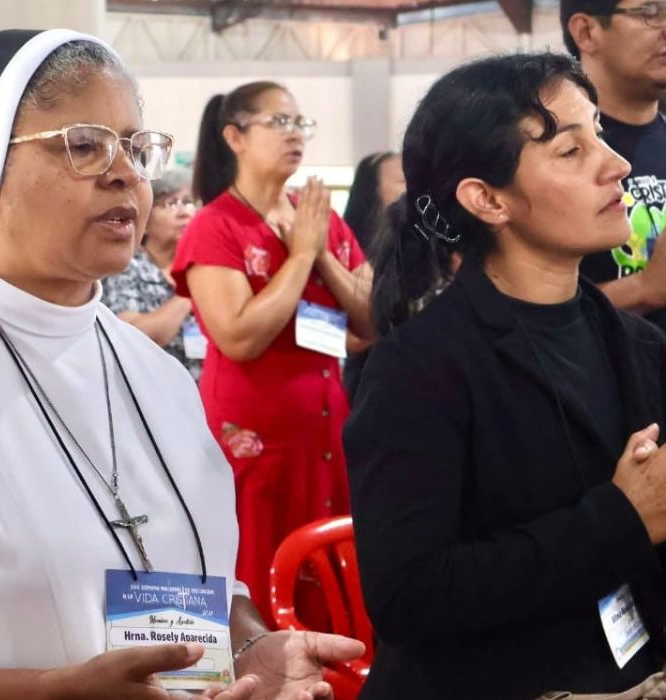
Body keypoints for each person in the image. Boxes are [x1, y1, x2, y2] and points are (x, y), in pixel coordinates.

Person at [0, 29, 363, 700]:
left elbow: (193, 582)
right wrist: (52, 692)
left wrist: (252, 644)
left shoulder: (158, 375)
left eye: (137, 149)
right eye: (85, 145)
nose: (125, 173)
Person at [347, 53, 666, 699]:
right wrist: (621, 518)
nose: (618, 164)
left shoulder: (637, 345)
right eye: (571, 151)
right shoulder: (419, 370)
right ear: (488, 199)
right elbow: (410, 596)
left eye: (599, 134)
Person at [171, 81, 373, 613]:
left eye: (300, 124)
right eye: (279, 122)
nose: (295, 135)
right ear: (235, 136)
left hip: (326, 437)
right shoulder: (217, 225)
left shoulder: (319, 220)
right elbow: (237, 336)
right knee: (258, 583)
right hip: (255, 445)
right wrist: (302, 258)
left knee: (332, 580)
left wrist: (320, 253)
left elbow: (376, 318)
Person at [563, 0, 666, 326]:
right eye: (651, 12)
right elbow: (518, 314)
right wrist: (643, 289)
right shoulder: (549, 155)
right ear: (587, 32)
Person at [102, 167, 203, 380]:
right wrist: (189, 291)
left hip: (206, 397)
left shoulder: (203, 266)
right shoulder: (126, 268)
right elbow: (134, 336)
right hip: (151, 391)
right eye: (171, 204)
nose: (185, 212)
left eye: (188, 202)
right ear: (145, 222)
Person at [340, 151, 406, 401]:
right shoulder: (347, 254)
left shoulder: (437, 247)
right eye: (404, 180)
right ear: (373, 192)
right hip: (371, 385)